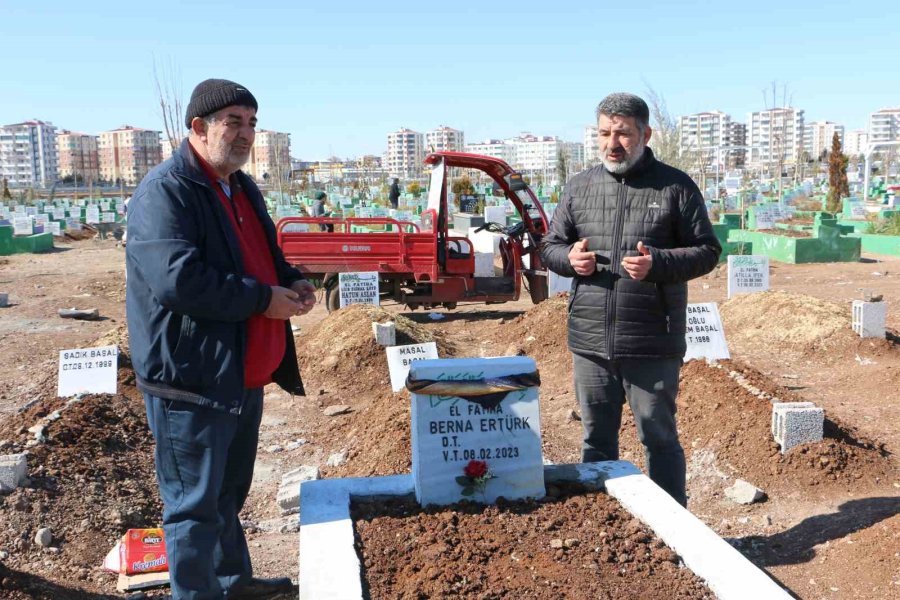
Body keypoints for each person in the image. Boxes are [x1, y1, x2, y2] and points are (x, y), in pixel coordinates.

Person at [125, 78, 316, 599]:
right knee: (193, 507)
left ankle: (232, 583)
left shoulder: (241, 186)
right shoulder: (167, 191)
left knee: (227, 495)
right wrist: (262, 300)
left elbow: (261, 254)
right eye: (234, 121)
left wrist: (290, 277)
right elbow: (178, 280)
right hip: (192, 380)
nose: (246, 133)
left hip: (238, 375)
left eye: (252, 123)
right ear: (199, 127)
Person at [540, 92, 721, 507]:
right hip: (590, 342)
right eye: (604, 133)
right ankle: (604, 524)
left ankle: (676, 527)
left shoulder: (675, 186)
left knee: (658, 438)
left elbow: (707, 251)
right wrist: (568, 260)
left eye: (622, 134)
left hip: (652, 341)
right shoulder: (579, 186)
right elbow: (549, 245)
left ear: (645, 134)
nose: (612, 143)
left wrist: (657, 263)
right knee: (596, 442)